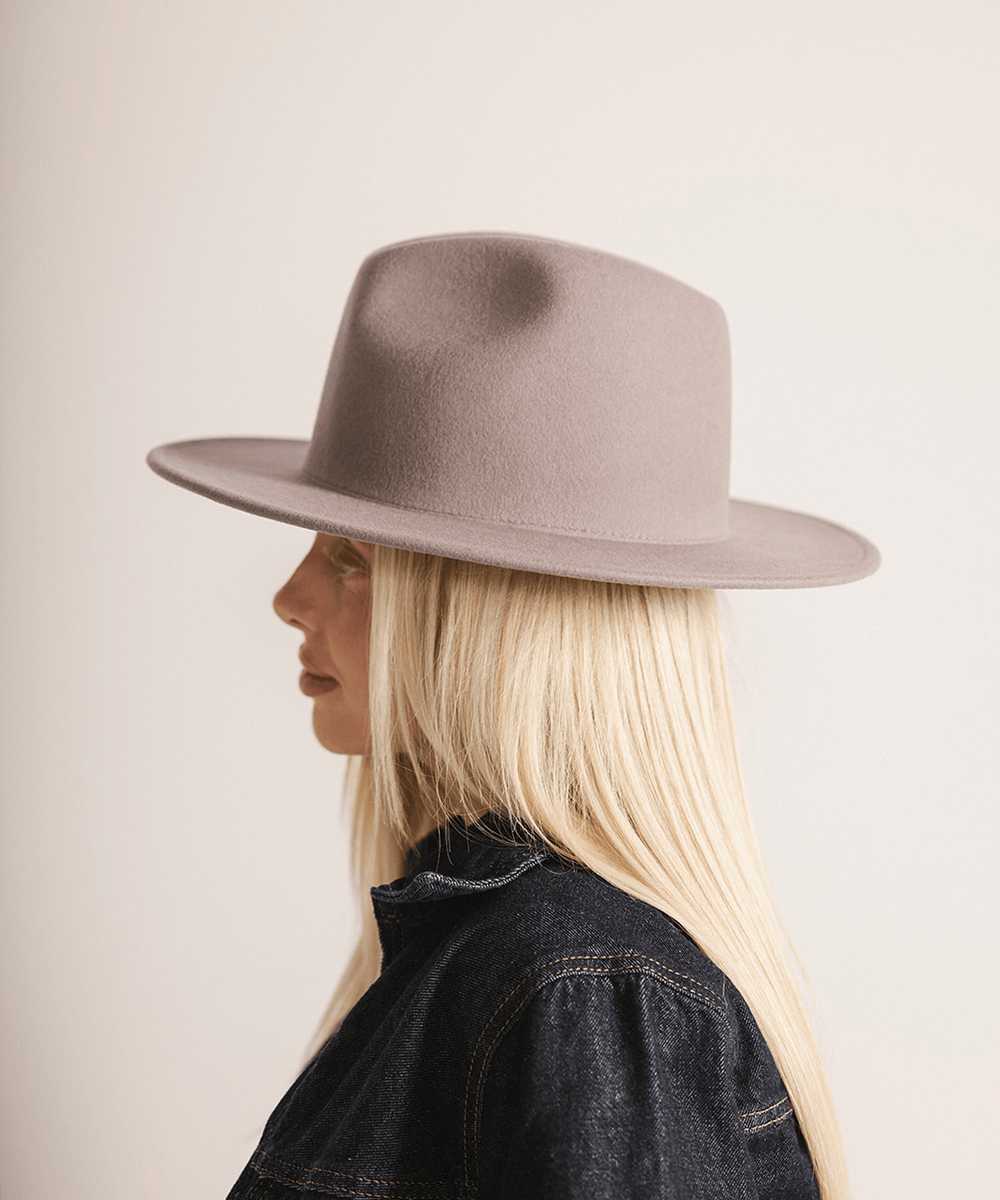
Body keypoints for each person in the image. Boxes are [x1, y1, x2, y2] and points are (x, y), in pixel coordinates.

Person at [148, 232, 879, 1200]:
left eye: (350, 558)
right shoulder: (523, 967)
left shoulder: (581, 989)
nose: (287, 596)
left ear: (499, 616)